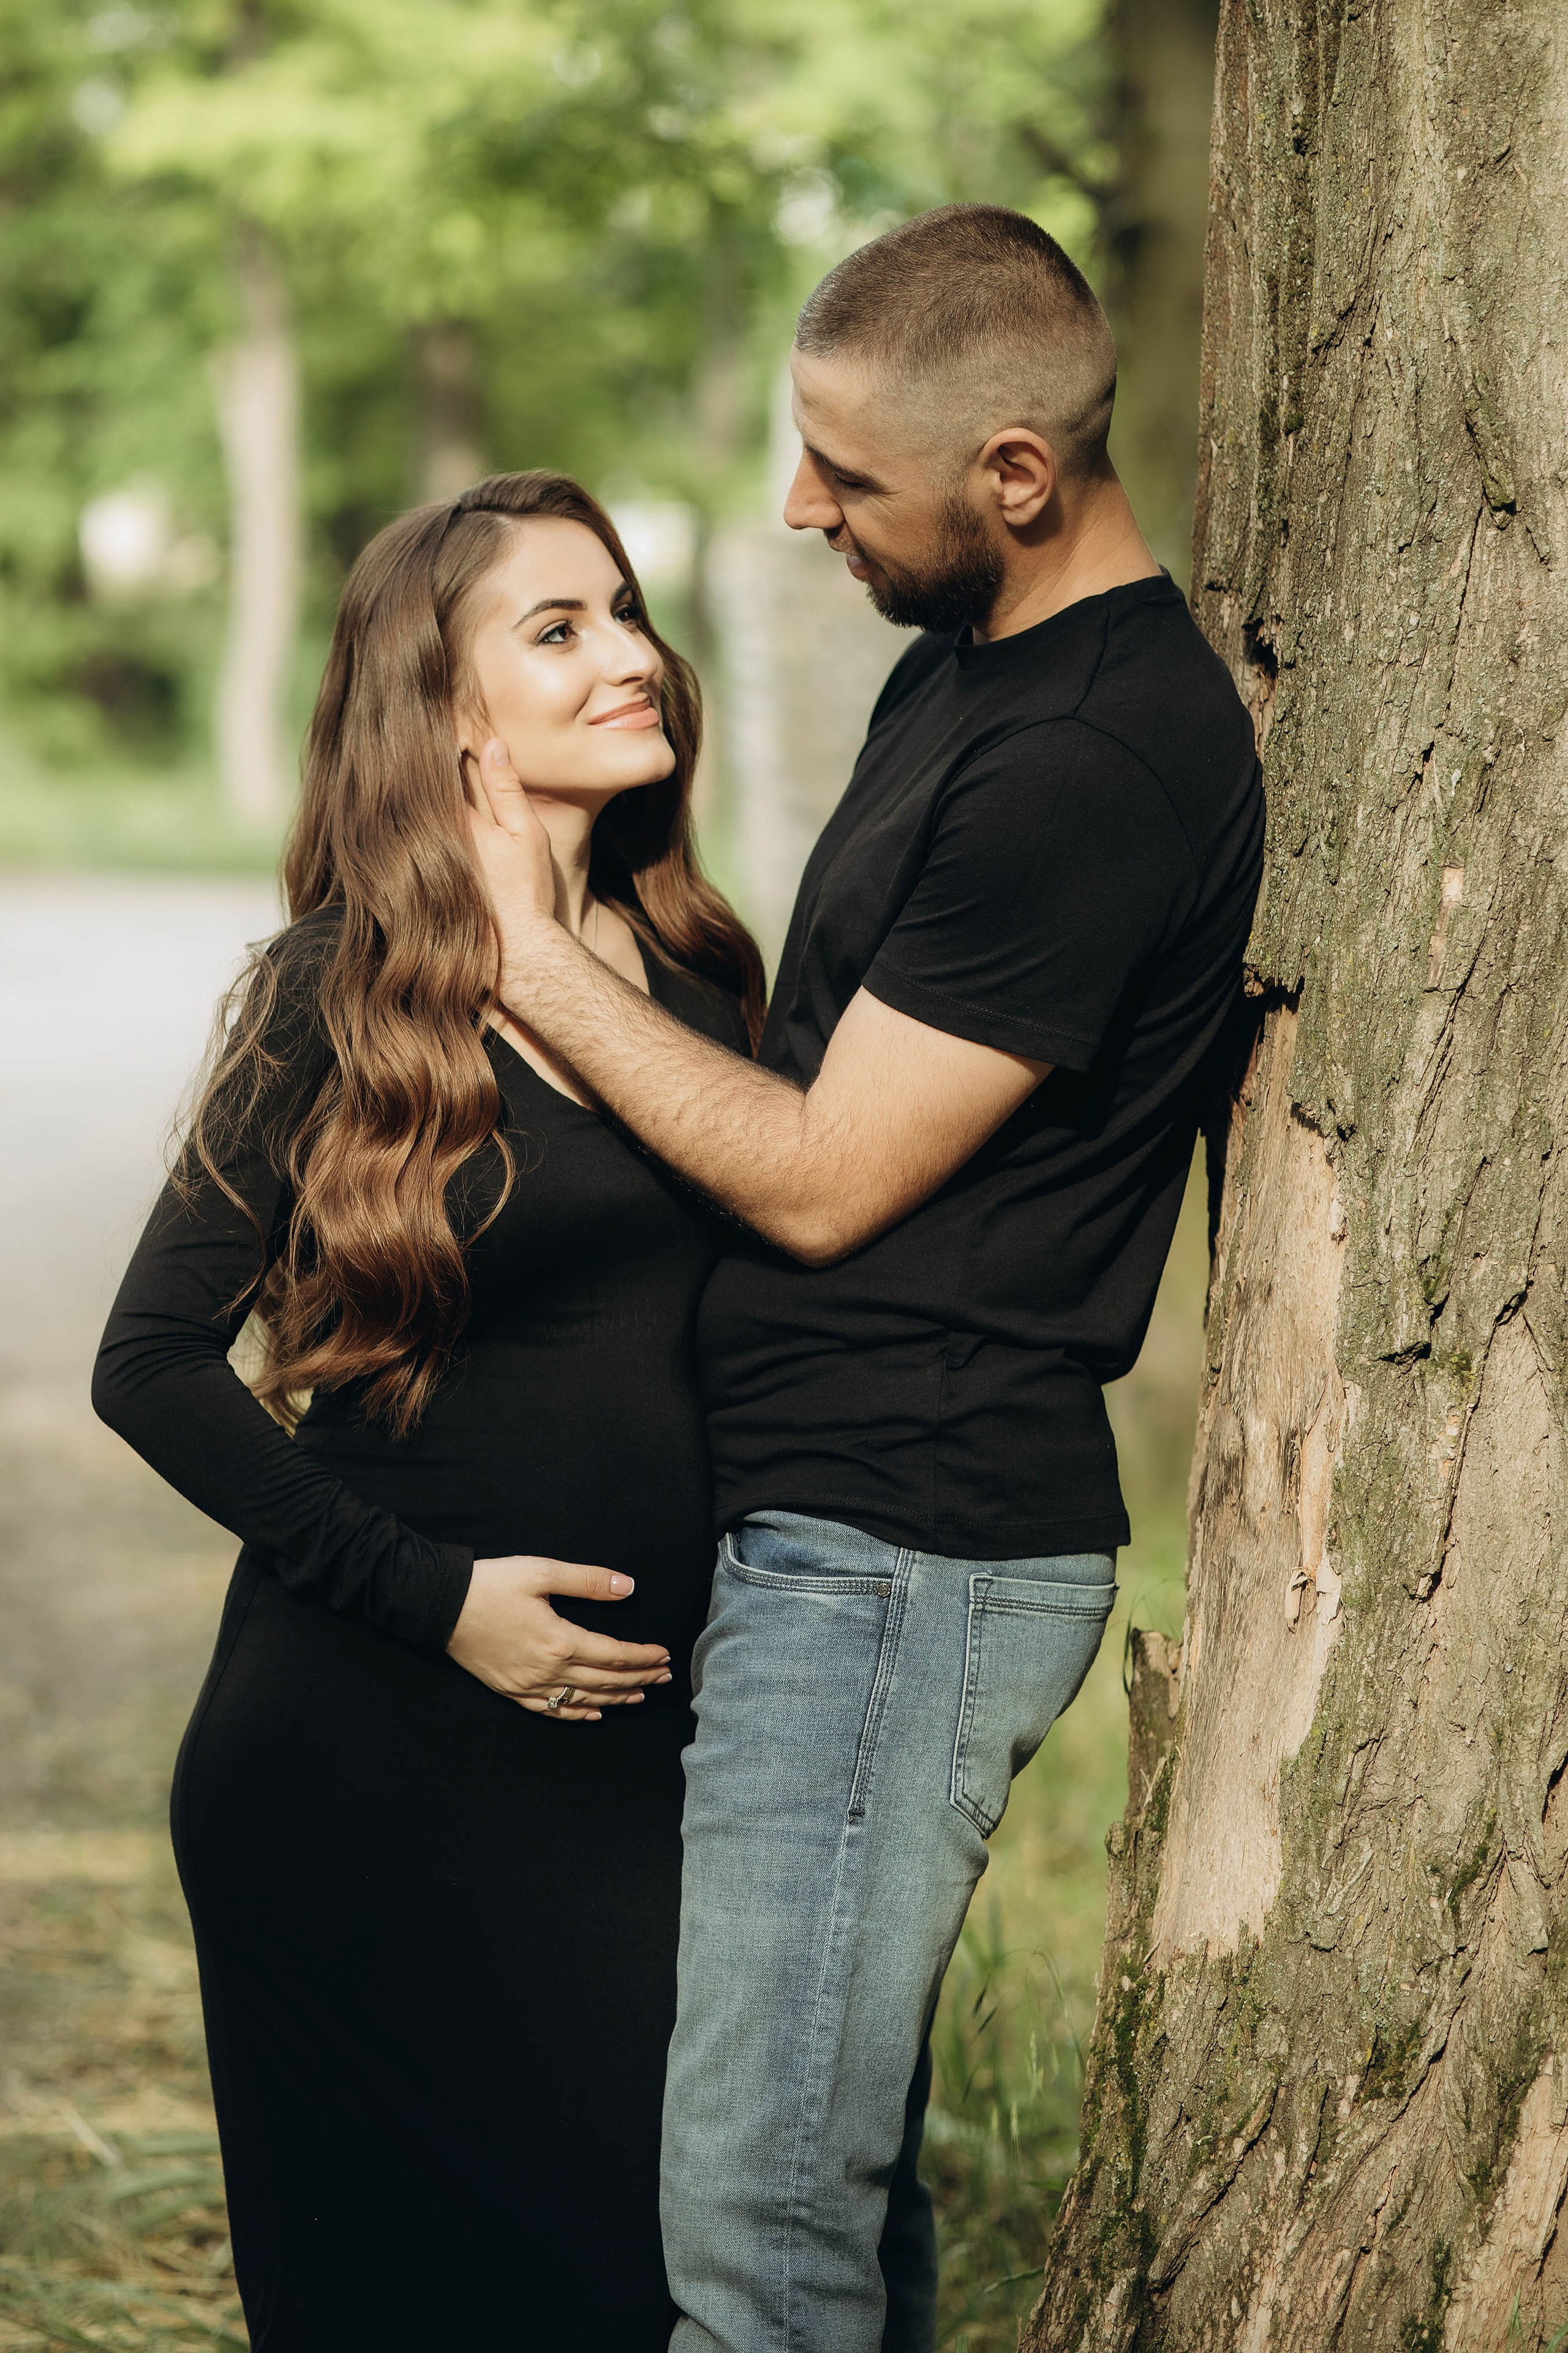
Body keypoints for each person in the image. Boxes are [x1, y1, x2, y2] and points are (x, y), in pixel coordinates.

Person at [464, 205, 1267, 2352]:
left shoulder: (1090, 766)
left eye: (844, 471)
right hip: (829, 1530)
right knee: (827, 2186)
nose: (797, 503)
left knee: (753, 2225)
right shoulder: (969, 667)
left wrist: (528, 959)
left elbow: (822, 1177)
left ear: (1015, 475)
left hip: (909, 1546)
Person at [91, 471, 763, 2352]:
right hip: (360, 1753)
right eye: (558, 629)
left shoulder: (705, 979)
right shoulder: (343, 989)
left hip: (631, 1768)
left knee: (627, 2282)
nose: (632, 653)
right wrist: (440, 1602)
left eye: (627, 609)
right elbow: (145, 1361)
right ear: (445, 712)